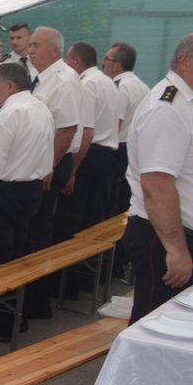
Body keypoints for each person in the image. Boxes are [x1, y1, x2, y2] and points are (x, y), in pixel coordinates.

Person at [119, 30, 193, 324]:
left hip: (190, 238)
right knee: (157, 327)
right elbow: (156, 186)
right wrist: (177, 251)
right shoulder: (166, 107)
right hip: (168, 241)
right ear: (184, 61)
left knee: (186, 327)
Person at [0, 62, 54, 341]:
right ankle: (16, 317)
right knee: (17, 257)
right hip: (30, 190)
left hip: (6, 193)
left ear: (10, 85)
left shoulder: (11, 113)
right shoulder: (40, 108)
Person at [22, 26, 83, 320]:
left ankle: (35, 303)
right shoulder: (42, 77)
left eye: (36, 45)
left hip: (48, 165)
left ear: (55, 51)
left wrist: (48, 167)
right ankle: (30, 302)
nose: (30, 50)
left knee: (37, 235)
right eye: (30, 45)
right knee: (32, 233)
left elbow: (67, 130)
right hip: (38, 163)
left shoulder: (64, 80)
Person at [55, 41, 120, 245]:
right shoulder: (107, 82)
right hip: (106, 154)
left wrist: (72, 171)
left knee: (72, 217)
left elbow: (87, 132)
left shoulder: (86, 84)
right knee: (93, 215)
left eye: (67, 59)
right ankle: (89, 265)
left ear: (75, 61)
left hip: (89, 156)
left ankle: (69, 265)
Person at [103, 41, 148, 214]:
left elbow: (116, 123)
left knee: (109, 202)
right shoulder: (142, 86)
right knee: (123, 201)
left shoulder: (121, 87)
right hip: (135, 149)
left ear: (117, 65)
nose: (103, 62)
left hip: (118, 150)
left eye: (107, 58)